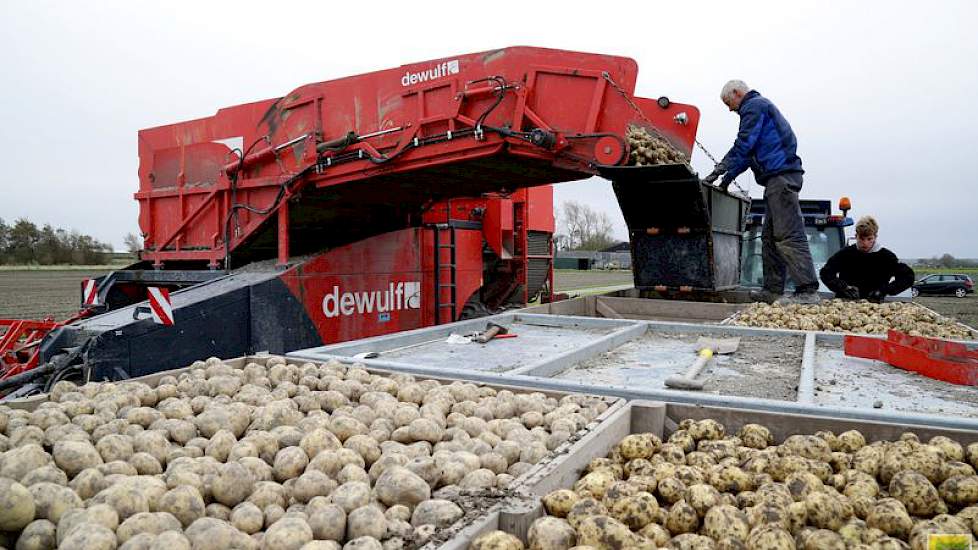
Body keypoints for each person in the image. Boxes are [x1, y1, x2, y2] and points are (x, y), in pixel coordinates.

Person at [703, 80, 819, 304]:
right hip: (775, 180)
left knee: (788, 233)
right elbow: (747, 154)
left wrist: (717, 171)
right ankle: (772, 290)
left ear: (737, 93)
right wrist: (726, 179)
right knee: (769, 238)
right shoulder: (757, 109)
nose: (730, 109)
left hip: (782, 177)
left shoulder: (754, 106)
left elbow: (744, 144)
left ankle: (807, 291)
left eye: (729, 102)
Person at [820, 216, 915, 302]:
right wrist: (843, 287)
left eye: (869, 239)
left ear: (875, 237)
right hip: (846, 304)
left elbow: (908, 277)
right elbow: (826, 273)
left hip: (875, 308)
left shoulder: (887, 257)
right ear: (856, 236)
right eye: (861, 239)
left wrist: (884, 290)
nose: (865, 243)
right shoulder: (845, 254)